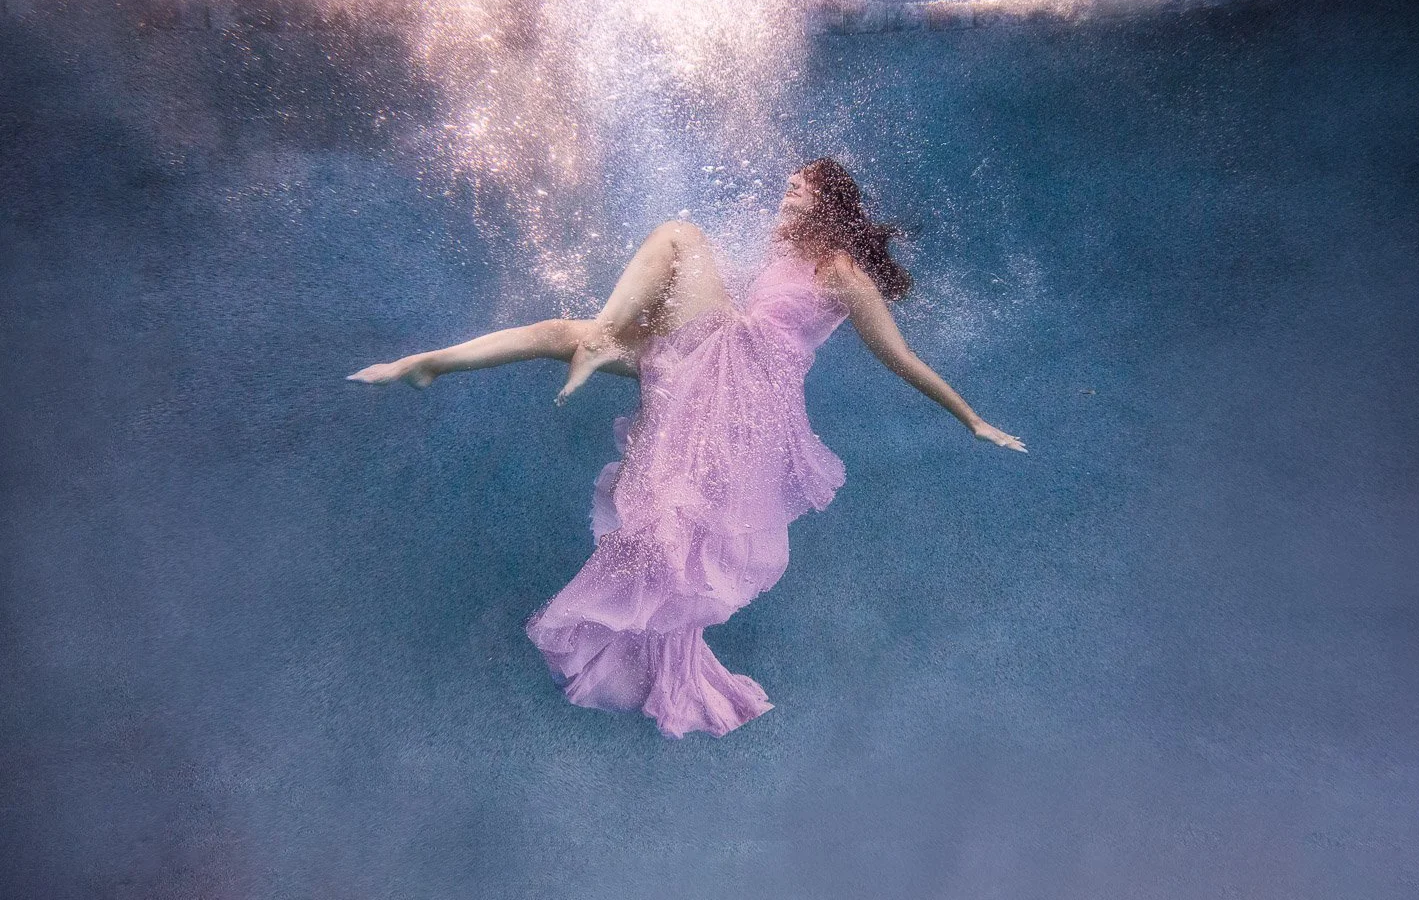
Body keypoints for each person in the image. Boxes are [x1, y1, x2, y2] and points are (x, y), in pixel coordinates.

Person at [348, 158, 1025, 738]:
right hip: (718, 359)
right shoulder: (785, 254)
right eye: (787, 183)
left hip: (741, 378)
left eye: (799, 186)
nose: (785, 192)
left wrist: (972, 420)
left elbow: (898, 356)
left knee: (677, 236)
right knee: (559, 330)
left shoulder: (842, 269)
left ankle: (597, 342)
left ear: (826, 199)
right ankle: (428, 364)